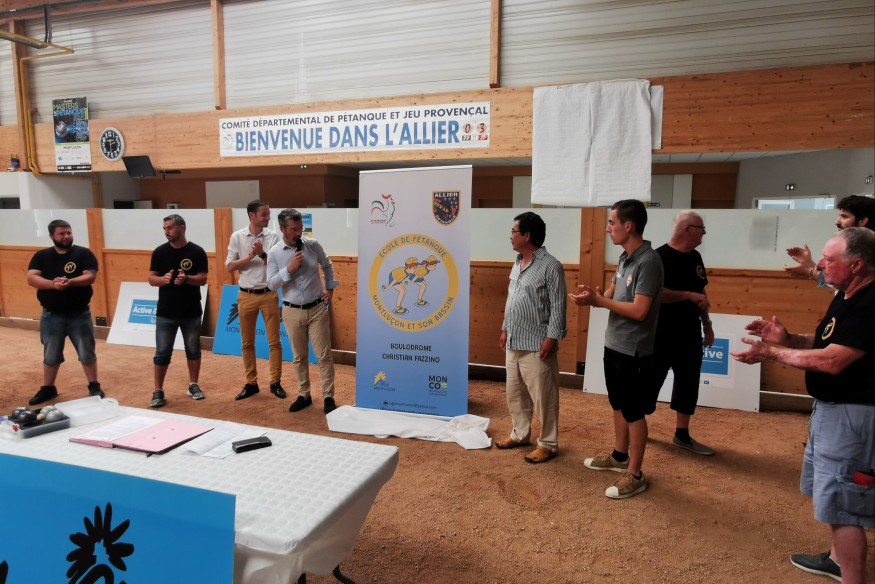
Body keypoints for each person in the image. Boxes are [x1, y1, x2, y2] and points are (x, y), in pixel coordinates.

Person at [732, 228, 875, 584]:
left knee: (845, 509)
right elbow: (827, 341)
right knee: (837, 501)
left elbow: (833, 360)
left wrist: (771, 352)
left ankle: (850, 575)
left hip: (851, 416)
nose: (820, 265)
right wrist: (789, 339)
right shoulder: (848, 294)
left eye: (829, 259)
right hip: (835, 410)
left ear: (857, 265)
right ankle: (838, 561)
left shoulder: (870, 302)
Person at [569, 199, 662, 499]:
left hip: (635, 350)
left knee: (634, 411)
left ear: (628, 226)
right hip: (615, 345)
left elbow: (639, 310)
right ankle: (620, 456)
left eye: (612, 223)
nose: (608, 228)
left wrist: (601, 301)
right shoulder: (625, 258)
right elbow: (610, 293)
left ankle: (635, 474)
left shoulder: (649, 261)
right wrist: (593, 296)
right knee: (618, 404)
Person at [497, 212, 567, 464]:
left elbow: (558, 305)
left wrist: (552, 337)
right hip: (514, 340)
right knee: (515, 393)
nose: (510, 236)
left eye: (513, 231)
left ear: (527, 235)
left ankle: (548, 444)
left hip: (538, 344)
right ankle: (520, 434)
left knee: (544, 397)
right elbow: (512, 298)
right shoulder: (517, 262)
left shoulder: (551, 265)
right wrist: (505, 328)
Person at [647, 211, 716, 455]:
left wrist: (707, 324)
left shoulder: (696, 257)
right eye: (701, 228)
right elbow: (653, 294)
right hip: (660, 333)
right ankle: (638, 428)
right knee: (650, 381)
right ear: (688, 229)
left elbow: (701, 294)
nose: (704, 233)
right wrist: (687, 295)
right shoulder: (658, 257)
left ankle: (682, 435)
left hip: (689, 332)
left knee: (689, 381)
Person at [267, 209, 340, 414]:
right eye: (294, 229)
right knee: (299, 356)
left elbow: (327, 265)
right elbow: (271, 284)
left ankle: (328, 397)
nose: (299, 232)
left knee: (324, 355)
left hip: (317, 308)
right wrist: (289, 269)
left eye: (301, 228)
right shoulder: (274, 253)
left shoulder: (313, 245)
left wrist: (330, 290)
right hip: (291, 311)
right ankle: (304, 394)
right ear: (282, 229)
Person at [26, 219, 105, 406]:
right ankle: (48, 388)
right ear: (52, 236)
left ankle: (94, 385)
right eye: (61, 234)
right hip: (51, 315)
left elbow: (90, 276)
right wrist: (53, 284)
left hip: (79, 314)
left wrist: (70, 282)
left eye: (69, 232)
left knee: (87, 352)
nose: (66, 236)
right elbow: (31, 278)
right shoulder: (41, 256)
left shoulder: (83, 253)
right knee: (51, 354)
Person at [225, 200, 285, 401]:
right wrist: (250, 256)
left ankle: (275, 382)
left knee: (274, 342)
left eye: (268, 213)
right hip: (246, 295)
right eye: (264, 214)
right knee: (247, 342)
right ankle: (251, 383)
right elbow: (229, 266)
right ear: (252, 216)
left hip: (269, 294)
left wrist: (262, 253)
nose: (268, 217)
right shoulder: (237, 237)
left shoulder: (273, 236)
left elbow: (278, 266)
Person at [147, 214, 209, 408]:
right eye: (165, 228)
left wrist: (187, 279)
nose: (167, 232)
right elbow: (151, 279)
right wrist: (163, 280)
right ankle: (158, 390)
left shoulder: (197, 251)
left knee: (193, 350)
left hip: (191, 311)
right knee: (162, 353)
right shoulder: (159, 252)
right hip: (166, 312)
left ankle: (193, 385)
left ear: (182, 228)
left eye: (170, 228)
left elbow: (203, 279)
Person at [784, 195, 875, 286]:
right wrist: (809, 264)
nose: (837, 222)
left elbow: (842, 284)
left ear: (862, 221)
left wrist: (809, 271)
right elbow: (837, 283)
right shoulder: (857, 247)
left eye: (844, 217)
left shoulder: (867, 253)